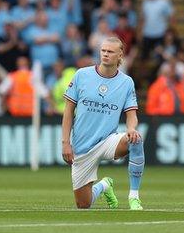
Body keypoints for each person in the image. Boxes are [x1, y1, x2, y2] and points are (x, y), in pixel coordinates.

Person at [61, 36, 143, 210]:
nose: (105, 54)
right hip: (82, 147)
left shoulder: (126, 82)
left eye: (110, 51)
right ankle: (105, 185)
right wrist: (65, 143)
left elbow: (131, 114)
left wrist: (131, 128)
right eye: (103, 50)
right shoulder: (82, 75)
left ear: (120, 55)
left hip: (107, 141)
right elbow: (68, 111)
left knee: (135, 139)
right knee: (83, 204)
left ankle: (134, 197)